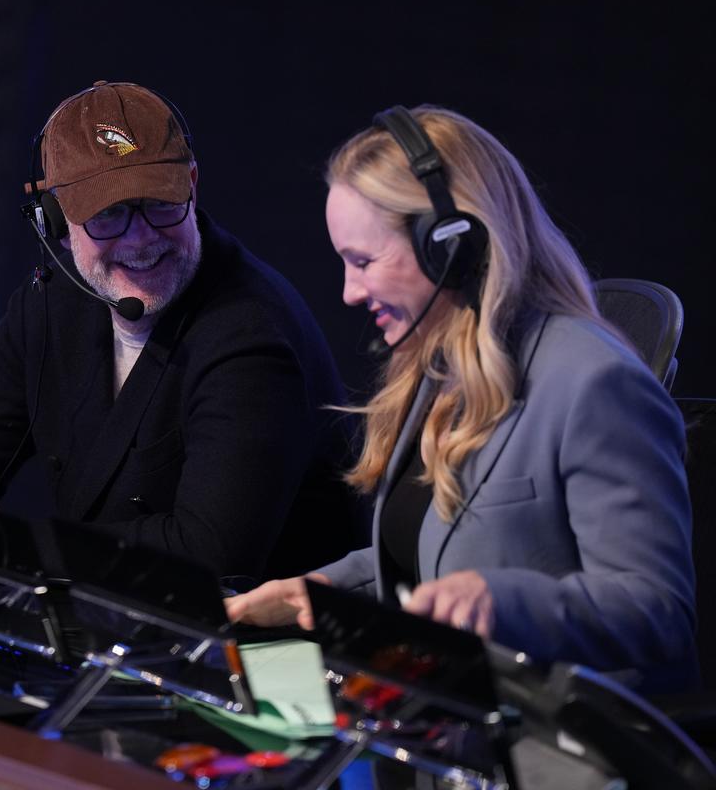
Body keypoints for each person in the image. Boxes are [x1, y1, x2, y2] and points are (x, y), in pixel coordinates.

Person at [226, 105, 700, 693]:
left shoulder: (596, 382)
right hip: (446, 712)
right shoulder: (439, 368)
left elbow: (657, 611)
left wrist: (499, 600)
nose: (349, 291)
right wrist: (322, 592)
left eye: (364, 262)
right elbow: (429, 555)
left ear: (451, 247)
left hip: (553, 734)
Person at [0, 81, 361, 585]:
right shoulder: (51, 302)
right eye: (108, 213)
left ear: (192, 185)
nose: (141, 237)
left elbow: (211, 554)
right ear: (54, 221)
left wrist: (6, 547)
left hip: (249, 630)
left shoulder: (252, 334)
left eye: (160, 202)